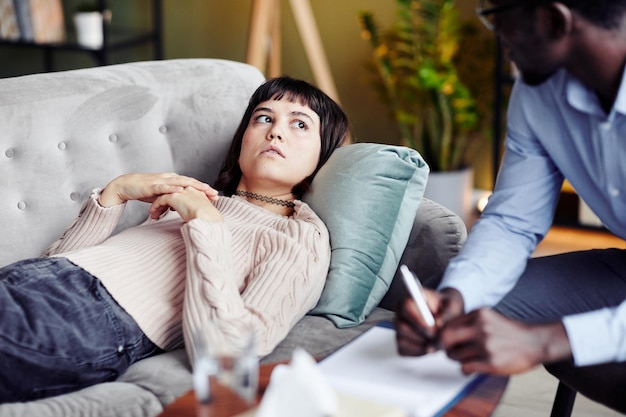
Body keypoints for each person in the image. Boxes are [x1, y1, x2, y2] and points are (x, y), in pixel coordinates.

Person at [0, 76, 349, 402]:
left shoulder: (300, 235)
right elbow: (56, 267)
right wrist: (115, 194)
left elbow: (228, 361)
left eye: (299, 124)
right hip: (29, 281)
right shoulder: (193, 195)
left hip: (89, 317)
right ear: (243, 138)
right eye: (263, 118)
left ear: (322, 155)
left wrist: (205, 223)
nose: (275, 133)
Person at [396, 0, 626, 412]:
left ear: (555, 19)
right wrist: (458, 295)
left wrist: (548, 339)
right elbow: (513, 220)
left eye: (499, 14)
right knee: (468, 319)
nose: (494, 31)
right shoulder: (538, 94)